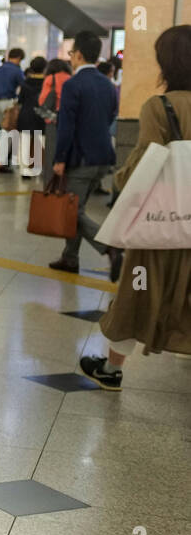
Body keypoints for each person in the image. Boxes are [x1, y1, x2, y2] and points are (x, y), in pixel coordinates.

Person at [81, 25, 191, 389]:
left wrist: (119, 181)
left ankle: (112, 369)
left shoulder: (160, 107)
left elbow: (145, 162)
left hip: (162, 224)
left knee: (137, 293)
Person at [47, 30, 122, 279]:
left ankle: (109, 247)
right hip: (104, 158)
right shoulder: (108, 85)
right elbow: (111, 116)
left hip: (80, 159)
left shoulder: (73, 85)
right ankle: (70, 258)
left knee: (73, 212)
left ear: (78, 55)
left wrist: (59, 159)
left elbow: (66, 127)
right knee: (75, 207)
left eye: (71, 54)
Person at [14, 56, 48, 176]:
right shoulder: (47, 83)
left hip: (26, 115)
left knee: (25, 143)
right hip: (42, 115)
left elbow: (20, 101)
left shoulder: (25, 83)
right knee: (42, 142)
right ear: (45, 68)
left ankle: (24, 170)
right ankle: (41, 168)